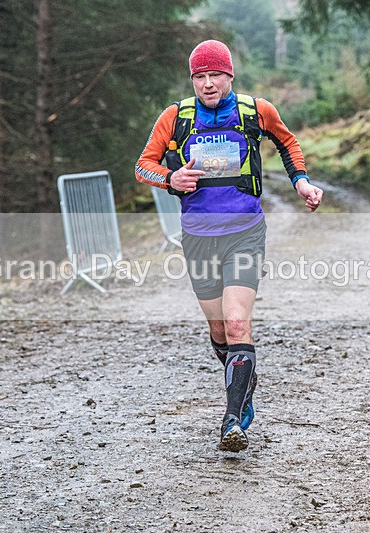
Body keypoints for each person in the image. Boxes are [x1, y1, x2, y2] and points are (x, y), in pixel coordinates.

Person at [135, 40, 323, 452]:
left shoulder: (256, 110)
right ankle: (244, 379)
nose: (207, 84)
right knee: (219, 329)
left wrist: (302, 182)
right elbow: (143, 165)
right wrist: (170, 179)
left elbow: (287, 144)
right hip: (199, 236)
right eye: (199, 77)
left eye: (214, 75)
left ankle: (233, 419)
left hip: (245, 230)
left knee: (238, 324)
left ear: (229, 76)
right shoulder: (176, 116)